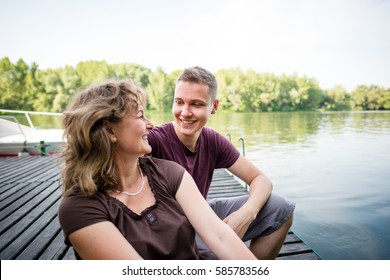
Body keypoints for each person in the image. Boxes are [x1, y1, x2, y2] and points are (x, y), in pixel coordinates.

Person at [58, 79, 256, 260]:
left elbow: (220, 236)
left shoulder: (170, 173)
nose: (151, 125)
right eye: (141, 116)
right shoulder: (79, 208)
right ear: (110, 130)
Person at [148, 66, 296, 259]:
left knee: (281, 207)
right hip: (168, 230)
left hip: (201, 215)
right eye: (179, 102)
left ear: (214, 107)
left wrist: (246, 214)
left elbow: (261, 179)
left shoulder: (213, 140)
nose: (185, 112)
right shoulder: (154, 140)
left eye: (196, 104)